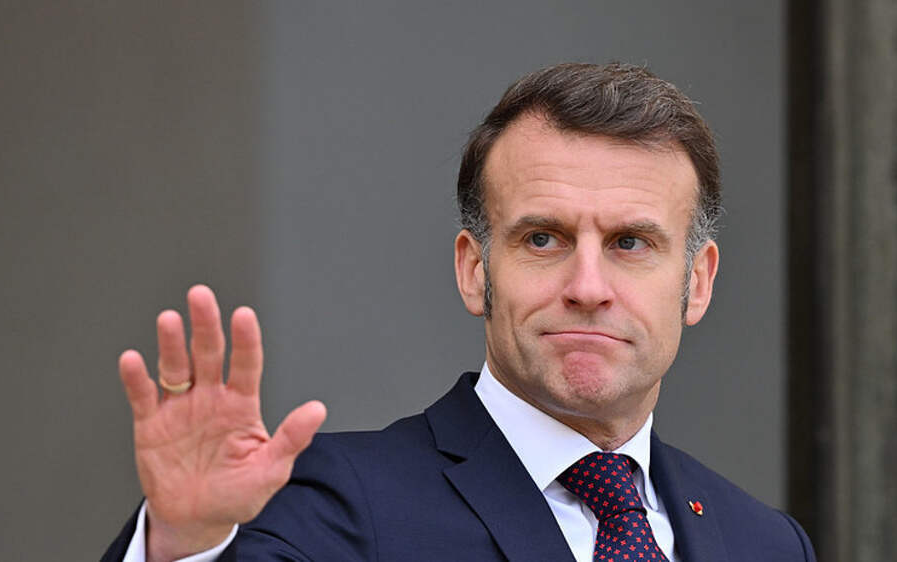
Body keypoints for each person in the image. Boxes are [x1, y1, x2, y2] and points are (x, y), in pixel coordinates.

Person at [103, 62, 816, 561]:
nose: (588, 286)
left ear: (697, 282)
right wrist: (186, 545)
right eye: (544, 239)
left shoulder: (766, 543)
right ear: (476, 272)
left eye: (631, 243)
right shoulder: (336, 502)